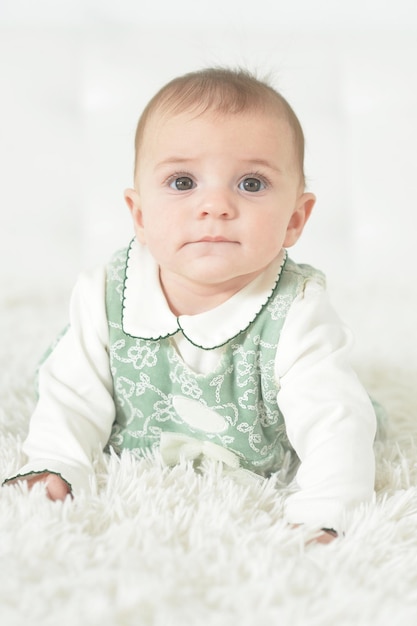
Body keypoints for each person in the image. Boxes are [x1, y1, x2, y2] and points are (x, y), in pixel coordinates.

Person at [3, 68, 377, 543]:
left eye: (252, 184)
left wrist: (326, 511)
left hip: (256, 464)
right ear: (139, 215)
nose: (215, 205)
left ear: (295, 220)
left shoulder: (296, 309)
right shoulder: (107, 292)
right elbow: (72, 393)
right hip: (141, 466)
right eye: (183, 182)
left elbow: (334, 422)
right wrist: (55, 461)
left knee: (347, 411)